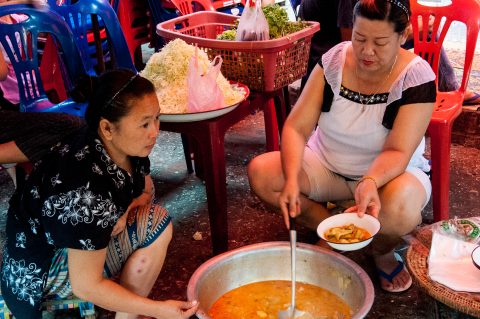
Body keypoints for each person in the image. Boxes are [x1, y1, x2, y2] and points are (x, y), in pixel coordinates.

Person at [248, 0, 436, 293]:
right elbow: (297, 127)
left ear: (404, 35)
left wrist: (370, 181)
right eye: (359, 38)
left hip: (387, 179)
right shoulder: (334, 61)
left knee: (400, 209)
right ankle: (335, 232)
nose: (366, 51)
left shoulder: (416, 77)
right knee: (264, 173)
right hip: (326, 165)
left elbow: (397, 151)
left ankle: (380, 251)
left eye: (380, 42)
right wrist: (292, 176)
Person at [0, 69, 199, 318]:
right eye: (145, 123)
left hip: (66, 242)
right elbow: (86, 286)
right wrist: (159, 310)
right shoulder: (87, 192)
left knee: (153, 220)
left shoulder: (123, 148)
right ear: (107, 128)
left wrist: (125, 212)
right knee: (154, 222)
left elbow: (146, 189)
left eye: (157, 119)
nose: (154, 132)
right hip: (37, 278)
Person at [298, 0, 480, 105]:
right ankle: (446, 87)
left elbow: (393, 17)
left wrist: (415, 26)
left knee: (427, 32)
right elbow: (352, 40)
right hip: (332, 63)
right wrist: (414, 31)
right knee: (425, 33)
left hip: (357, 47)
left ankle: (447, 87)